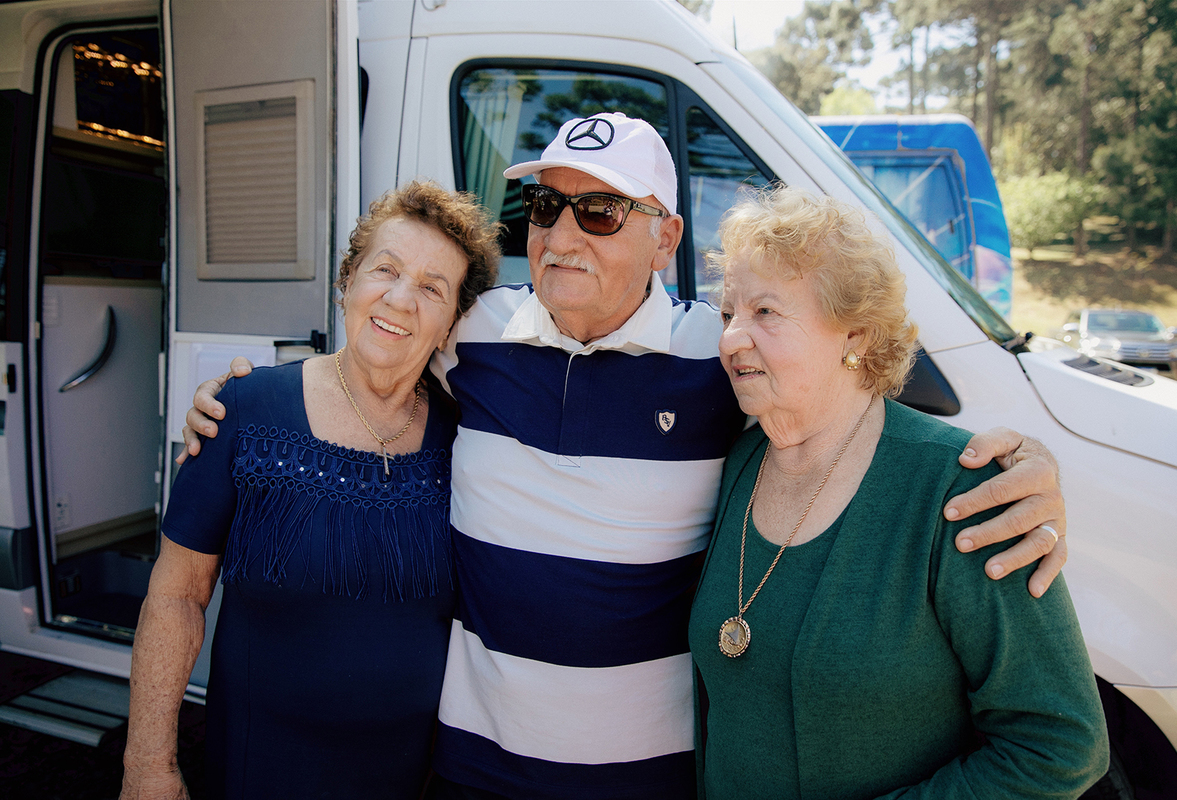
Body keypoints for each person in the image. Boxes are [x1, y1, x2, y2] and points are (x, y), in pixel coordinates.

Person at [182, 113, 1069, 800]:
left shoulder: (719, 359)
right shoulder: (476, 334)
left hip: (648, 778)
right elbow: (375, 352)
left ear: (666, 238)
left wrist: (1028, 464)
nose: (563, 236)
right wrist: (245, 398)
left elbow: (849, 408)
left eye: (600, 210)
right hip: (470, 767)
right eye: (545, 206)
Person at [689, 185, 1107, 798]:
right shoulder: (735, 462)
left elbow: (1060, 746)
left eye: (766, 313)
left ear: (855, 336)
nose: (731, 339)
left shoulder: (960, 489)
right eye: (729, 314)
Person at [121, 181, 501, 800]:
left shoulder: (470, 440)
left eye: (432, 288)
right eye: (386, 270)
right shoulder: (243, 410)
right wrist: (148, 766)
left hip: (412, 779)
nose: (400, 300)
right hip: (261, 769)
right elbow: (176, 595)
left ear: (452, 322)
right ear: (346, 281)